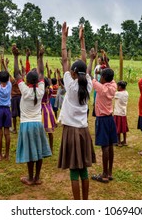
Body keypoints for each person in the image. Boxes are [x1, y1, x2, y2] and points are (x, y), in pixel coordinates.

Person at [57, 22, 95, 200]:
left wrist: (64, 38)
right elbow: (84, 64)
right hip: (83, 131)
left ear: (72, 73)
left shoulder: (70, 84)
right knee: (84, 169)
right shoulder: (87, 85)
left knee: (74, 170)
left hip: (71, 131)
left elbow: (65, 60)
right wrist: (82, 41)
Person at [13, 44, 52, 185]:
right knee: (39, 151)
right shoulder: (40, 90)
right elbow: (41, 73)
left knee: (30, 153)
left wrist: (16, 57)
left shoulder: (24, 90)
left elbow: (17, 74)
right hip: (37, 124)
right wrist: (40, 57)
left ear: (27, 81)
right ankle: (37, 177)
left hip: (26, 124)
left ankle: (30, 178)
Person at [91, 51, 117, 183]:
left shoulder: (100, 87)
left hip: (102, 119)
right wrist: (106, 62)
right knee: (111, 145)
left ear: (103, 78)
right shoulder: (113, 86)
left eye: (101, 76)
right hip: (110, 119)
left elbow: (90, 77)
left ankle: (104, 174)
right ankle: (110, 172)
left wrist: (91, 60)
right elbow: (110, 75)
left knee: (104, 146)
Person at [0, 55, 12, 161]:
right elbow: (9, 76)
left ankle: (0, 155)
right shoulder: (9, 85)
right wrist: (4, 64)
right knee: (7, 133)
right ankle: (7, 155)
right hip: (7, 109)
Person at [42, 62, 57, 153]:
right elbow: (50, 81)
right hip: (49, 108)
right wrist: (47, 69)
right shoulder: (50, 89)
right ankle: (51, 148)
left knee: (42, 130)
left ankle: (43, 148)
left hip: (42, 110)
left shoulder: (41, 91)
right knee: (50, 130)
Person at [114, 81, 129, 147]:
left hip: (117, 113)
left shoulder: (118, 94)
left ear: (120, 87)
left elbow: (112, 94)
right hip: (123, 113)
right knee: (123, 128)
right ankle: (125, 141)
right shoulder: (126, 93)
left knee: (118, 128)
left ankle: (119, 141)